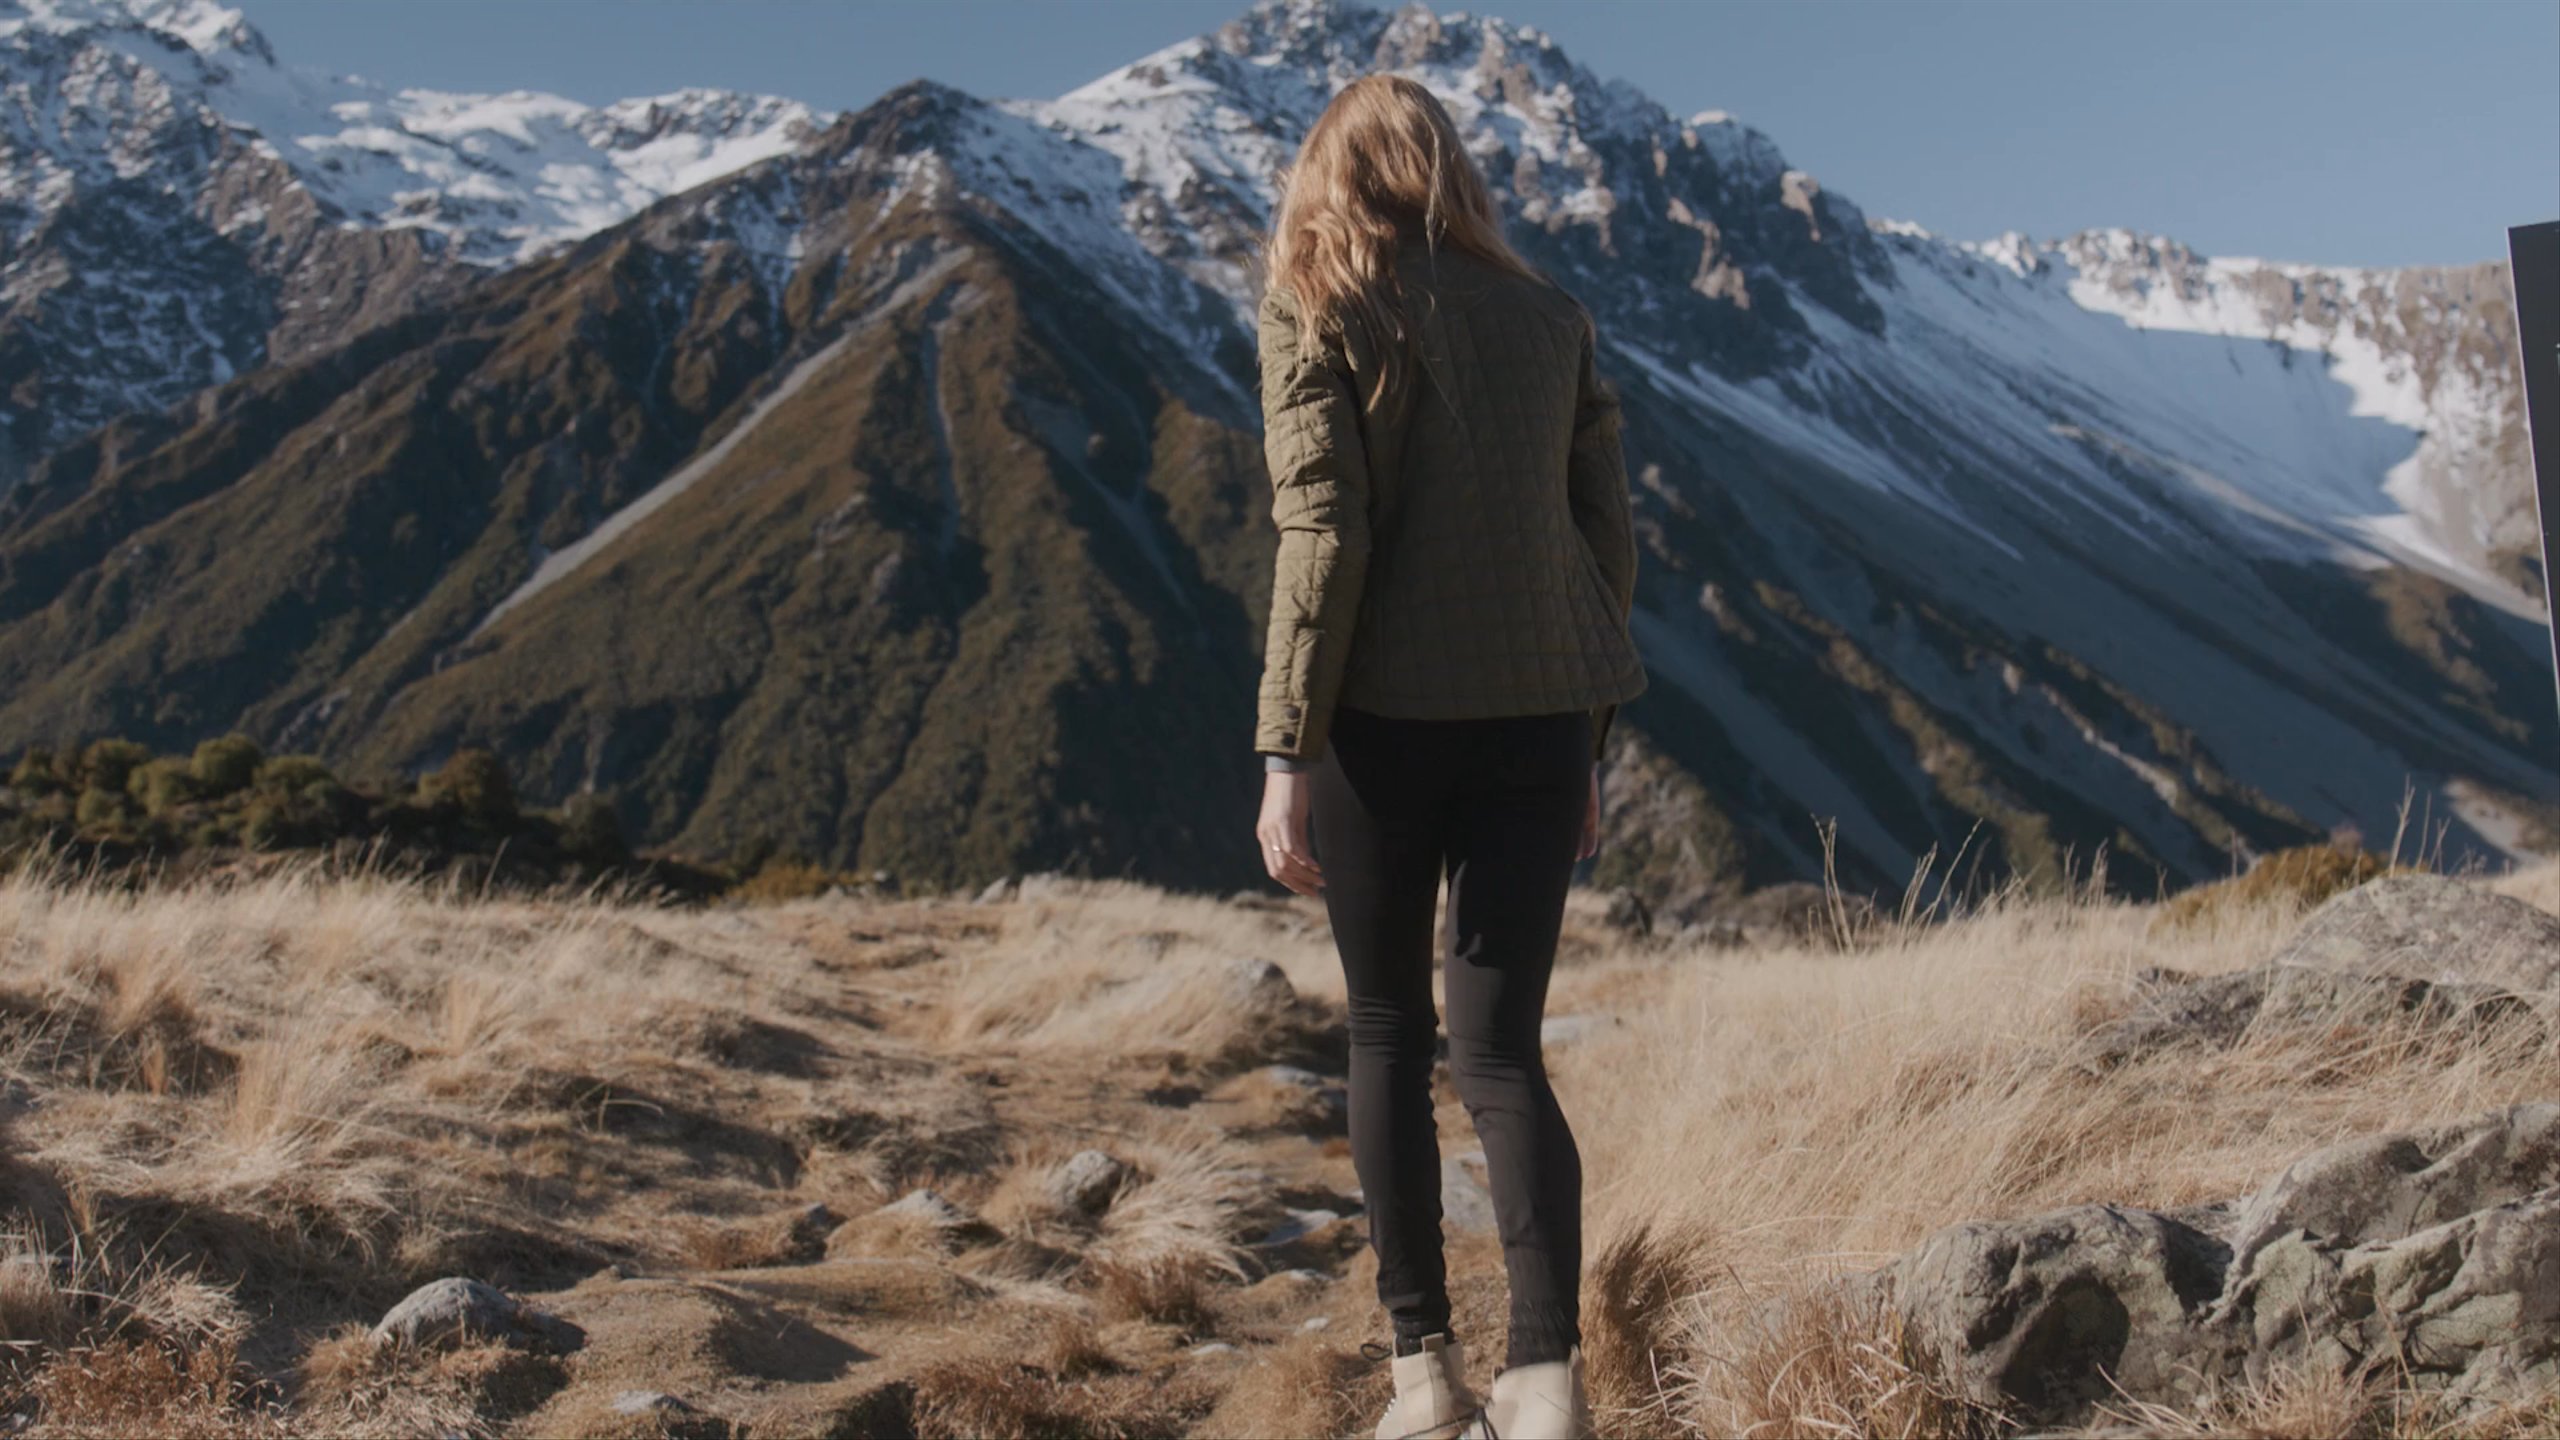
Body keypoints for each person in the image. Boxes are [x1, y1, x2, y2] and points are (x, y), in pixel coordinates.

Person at [1247, 73, 1647, 1440]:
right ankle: (1547, 1379)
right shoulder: (1552, 320)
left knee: (1381, 1034)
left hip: (1381, 728)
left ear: (1329, 177)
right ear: (1455, 175)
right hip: (1539, 725)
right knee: (1502, 1054)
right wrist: (1586, 734)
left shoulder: (1319, 304)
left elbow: (1323, 536)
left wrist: (1285, 748)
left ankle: (1424, 1376)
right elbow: (1609, 543)